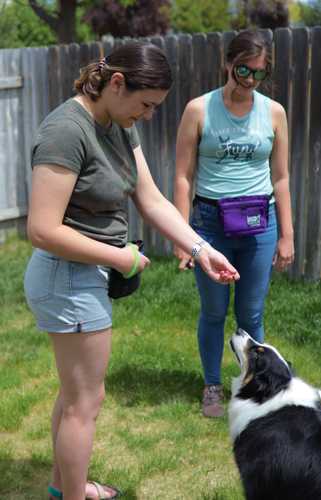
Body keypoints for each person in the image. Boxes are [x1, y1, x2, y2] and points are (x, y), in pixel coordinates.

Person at [24, 42, 239, 500]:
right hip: (67, 276)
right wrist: (119, 257)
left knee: (74, 396)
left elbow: (152, 198)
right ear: (116, 83)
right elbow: (41, 229)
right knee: (86, 402)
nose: (147, 116)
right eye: (145, 105)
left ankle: (67, 488)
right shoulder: (66, 131)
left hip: (83, 275)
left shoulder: (117, 124)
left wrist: (200, 248)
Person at [174, 30, 294, 419]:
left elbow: (281, 177)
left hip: (261, 222)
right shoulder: (198, 110)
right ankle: (212, 385)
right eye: (243, 69)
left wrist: (287, 234)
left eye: (259, 73)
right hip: (210, 224)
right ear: (228, 63)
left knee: (252, 314)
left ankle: (256, 388)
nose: (249, 79)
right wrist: (182, 236)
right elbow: (182, 176)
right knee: (213, 310)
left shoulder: (274, 112)